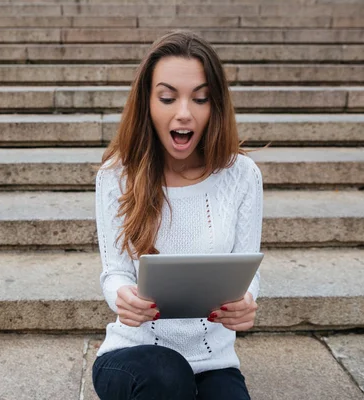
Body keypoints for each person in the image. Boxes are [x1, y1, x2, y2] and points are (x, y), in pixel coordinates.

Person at [92, 30, 263, 400]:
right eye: (167, 98)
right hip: (132, 356)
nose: (183, 113)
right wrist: (123, 295)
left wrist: (245, 302)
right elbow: (115, 271)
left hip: (213, 362)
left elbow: (247, 270)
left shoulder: (242, 175)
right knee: (167, 377)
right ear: (148, 103)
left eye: (200, 99)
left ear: (215, 105)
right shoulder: (115, 176)